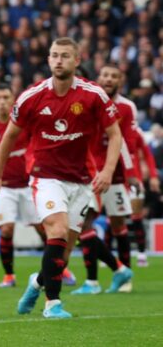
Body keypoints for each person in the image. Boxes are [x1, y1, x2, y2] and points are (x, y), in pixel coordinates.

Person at [0, 37, 132, 319]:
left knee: (62, 256)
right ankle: (53, 304)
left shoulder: (93, 95)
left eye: (65, 55)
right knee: (58, 231)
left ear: (76, 60)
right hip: (45, 177)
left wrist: (108, 171)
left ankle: (37, 282)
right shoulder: (32, 96)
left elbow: (115, 134)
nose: (59, 60)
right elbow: (9, 137)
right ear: (48, 60)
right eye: (54, 55)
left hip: (82, 181)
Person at [72, 65, 137, 294]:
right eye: (105, 75)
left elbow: (127, 142)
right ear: (98, 78)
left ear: (121, 80)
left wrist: (131, 174)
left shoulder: (127, 107)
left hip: (116, 175)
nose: (108, 79)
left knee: (118, 225)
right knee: (83, 223)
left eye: (113, 76)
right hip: (90, 173)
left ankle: (124, 275)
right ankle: (93, 280)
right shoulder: (89, 101)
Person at [0, 84, 42, 288]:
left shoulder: (25, 123)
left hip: (29, 184)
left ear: (13, 99)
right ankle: (9, 276)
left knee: (44, 228)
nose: (2, 101)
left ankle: (59, 267)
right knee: (6, 230)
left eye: (6, 97)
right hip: (4, 187)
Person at [128, 125, 160, 267]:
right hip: (115, 180)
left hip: (134, 179)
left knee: (136, 217)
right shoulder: (106, 128)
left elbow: (147, 154)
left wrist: (153, 176)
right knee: (114, 218)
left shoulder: (135, 131)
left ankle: (141, 253)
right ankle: (110, 253)